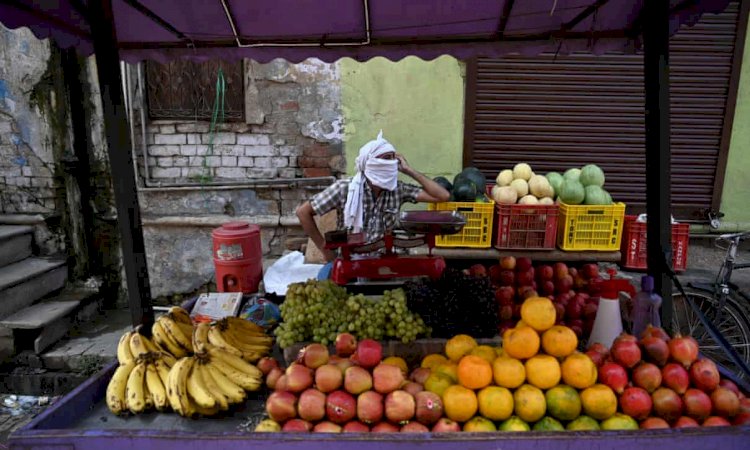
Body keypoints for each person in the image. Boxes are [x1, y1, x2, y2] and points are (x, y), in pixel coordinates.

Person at [296, 131, 451, 279]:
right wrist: (324, 248)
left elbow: (443, 196)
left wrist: (409, 170)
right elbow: (303, 212)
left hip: (387, 263)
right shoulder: (345, 189)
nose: (389, 164)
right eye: (384, 159)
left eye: (392, 159)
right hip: (351, 262)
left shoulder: (398, 189)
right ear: (368, 163)